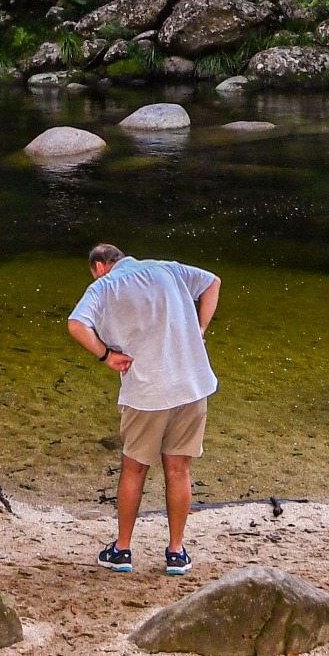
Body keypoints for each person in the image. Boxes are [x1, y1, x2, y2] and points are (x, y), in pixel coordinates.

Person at [65, 242, 220, 576]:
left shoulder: (105, 285)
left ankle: (122, 550)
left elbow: (76, 324)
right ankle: (176, 553)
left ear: (100, 266)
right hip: (192, 386)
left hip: (147, 392)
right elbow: (212, 283)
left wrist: (106, 355)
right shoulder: (169, 268)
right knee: (179, 469)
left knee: (134, 469)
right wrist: (200, 330)